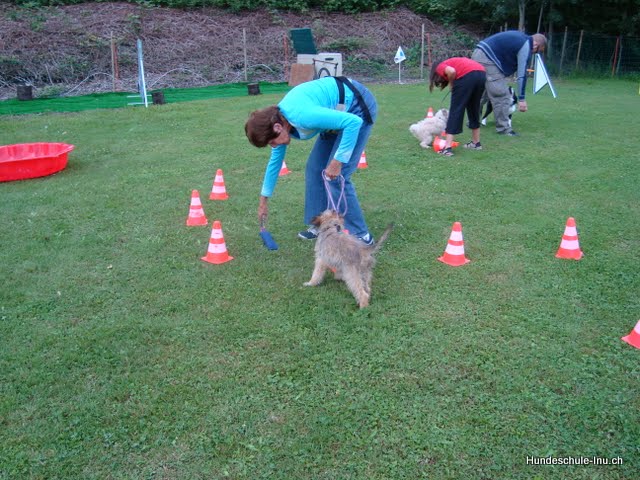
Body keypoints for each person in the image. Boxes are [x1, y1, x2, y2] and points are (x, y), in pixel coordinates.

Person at [245, 76, 377, 244]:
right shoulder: (280, 122)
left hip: (357, 107)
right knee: (315, 170)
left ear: (277, 127)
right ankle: (321, 224)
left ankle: (361, 235)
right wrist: (263, 201)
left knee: (337, 176)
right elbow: (274, 164)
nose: (274, 146)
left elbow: (353, 122)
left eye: (272, 142)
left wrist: (337, 161)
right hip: (335, 115)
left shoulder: (302, 116)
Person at [471, 31, 547, 136]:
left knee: (484, 93)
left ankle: (473, 121)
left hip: (479, 53)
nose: (534, 53)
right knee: (502, 95)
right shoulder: (526, 45)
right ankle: (504, 129)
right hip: (487, 58)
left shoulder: (520, 38)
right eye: (537, 51)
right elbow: (521, 75)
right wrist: (521, 99)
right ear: (535, 45)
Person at [429, 57, 486, 157]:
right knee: (474, 109)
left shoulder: (439, 66)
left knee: (456, 110)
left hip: (467, 76)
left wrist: (451, 84)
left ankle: (447, 148)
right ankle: (476, 143)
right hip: (481, 74)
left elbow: (451, 71)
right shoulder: (451, 62)